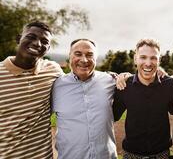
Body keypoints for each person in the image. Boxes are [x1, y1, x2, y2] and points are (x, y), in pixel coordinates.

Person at [0, 21, 63, 159]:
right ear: (18, 39)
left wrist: (113, 77)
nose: (37, 44)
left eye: (44, 41)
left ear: (48, 48)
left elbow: (78, 82)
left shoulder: (53, 70)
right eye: (31, 37)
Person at [52, 39, 117, 159]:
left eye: (89, 55)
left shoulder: (111, 81)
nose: (84, 60)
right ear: (69, 56)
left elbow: (138, 80)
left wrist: (158, 73)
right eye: (78, 54)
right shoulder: (55, 86)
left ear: (95, 58)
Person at [113, 38, 173, 159]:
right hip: (131, 154)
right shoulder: (124, 85)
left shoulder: (169, 84)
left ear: (159, 60)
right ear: (135, 59)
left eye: (153, 58)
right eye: (143, 57)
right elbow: (113, 116)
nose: (148, 63)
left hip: (161, 154)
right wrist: (117, 76)